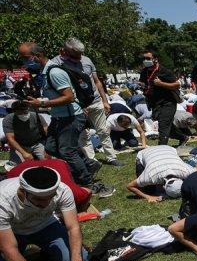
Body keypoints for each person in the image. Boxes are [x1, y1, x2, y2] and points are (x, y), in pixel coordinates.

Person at [0, 166, 91, 261]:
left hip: (45, 225)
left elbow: (73, 227)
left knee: (81, 258)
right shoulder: (3, 201)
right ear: (22, 191)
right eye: (39, 200)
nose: (46, 203)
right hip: (11, 233)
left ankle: (43, 254)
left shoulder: (62, 190)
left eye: (50, 197)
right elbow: (8, 248)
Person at [20, 43, 96, 187]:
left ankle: (87, 182)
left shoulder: (54, 72)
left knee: (67, 151)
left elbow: (69, 97)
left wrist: (42, 104)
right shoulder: (44, 72)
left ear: (37, 56)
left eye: (26, 58)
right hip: (59, 116)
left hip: (70, 117)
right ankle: (89, 164)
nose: (24, 61)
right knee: (50, 147)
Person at [50, 38, 121, 167]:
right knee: (84, 135)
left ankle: (111, 157)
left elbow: (97, 81)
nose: (78, 59)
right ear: (64, 51)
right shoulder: (56, 63)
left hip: (95, 101)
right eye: (75, 56)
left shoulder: (87, 60)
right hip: (78, 106)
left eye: (80, 55)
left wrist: (105, 100)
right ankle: (92, 161)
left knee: (103, 131)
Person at [6, 159, 94, 211]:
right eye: (39, 199)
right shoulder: (11, 188)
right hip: (17, 171)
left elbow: (87, 192)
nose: (44, 203)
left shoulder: (69, 192)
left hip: (22, 167)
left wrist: (79, 208)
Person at [140, 50, 182, 146]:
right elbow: (144, 83)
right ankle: (183, 137)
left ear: (155, 59)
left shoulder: (164, 71)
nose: (145, 60)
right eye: (144, 58)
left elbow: (177, 85)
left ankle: (161, 148)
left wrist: (161, 84)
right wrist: (142, 86)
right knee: (166, 125)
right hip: (154, 103)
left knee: (163, 125)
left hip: (168, 102)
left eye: (148, 58)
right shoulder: (144, 72)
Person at [126, 145, 194, 203]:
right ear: (163, 187)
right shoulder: (150, 176)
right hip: (145, 152)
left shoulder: (186, 171)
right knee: (148, 190)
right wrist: (148, 197)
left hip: (167, 148)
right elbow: (130, 186)